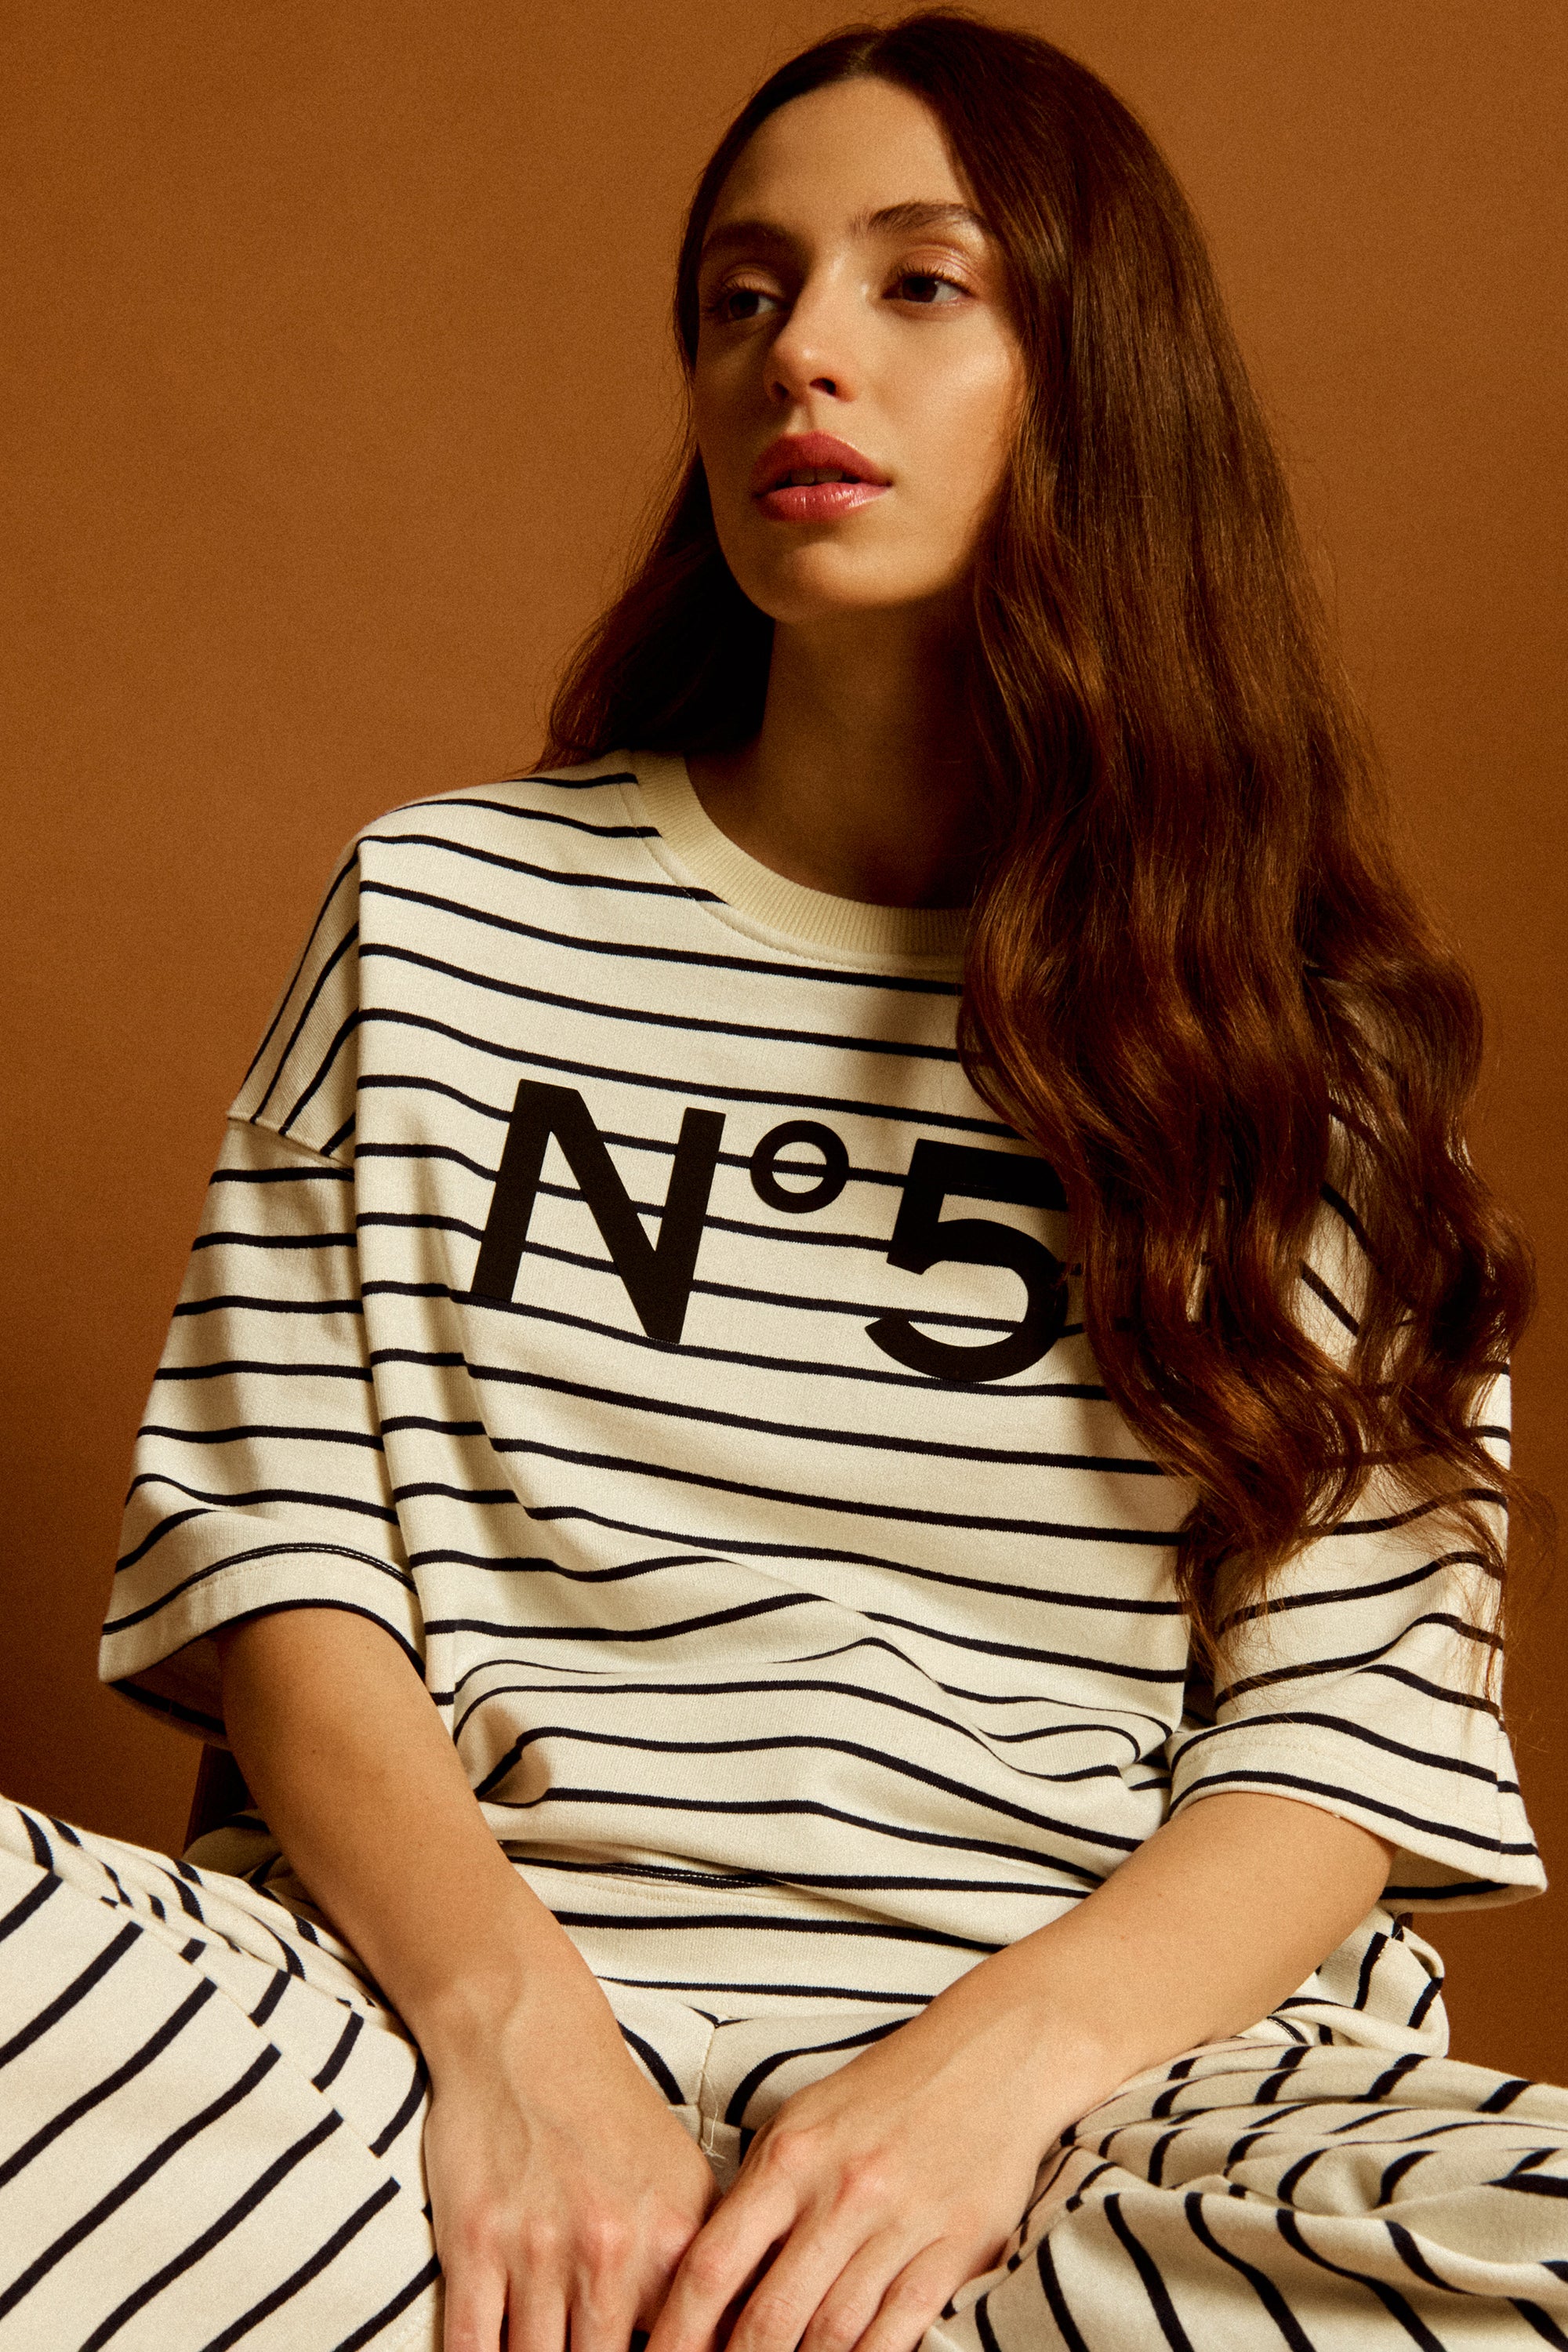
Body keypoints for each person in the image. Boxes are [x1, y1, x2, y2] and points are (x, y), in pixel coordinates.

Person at [2, 13, 1563, 2349]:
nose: (801, 353)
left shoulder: (1302, 1057)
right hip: (415, 2063)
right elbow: (280, 1562)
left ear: (1100, 373)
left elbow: (1344, 1734)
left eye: (920, 284)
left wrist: (967, 2103)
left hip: (1084, 2120)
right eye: (743, 295)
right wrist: (523, 2059)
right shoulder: (448, 915)